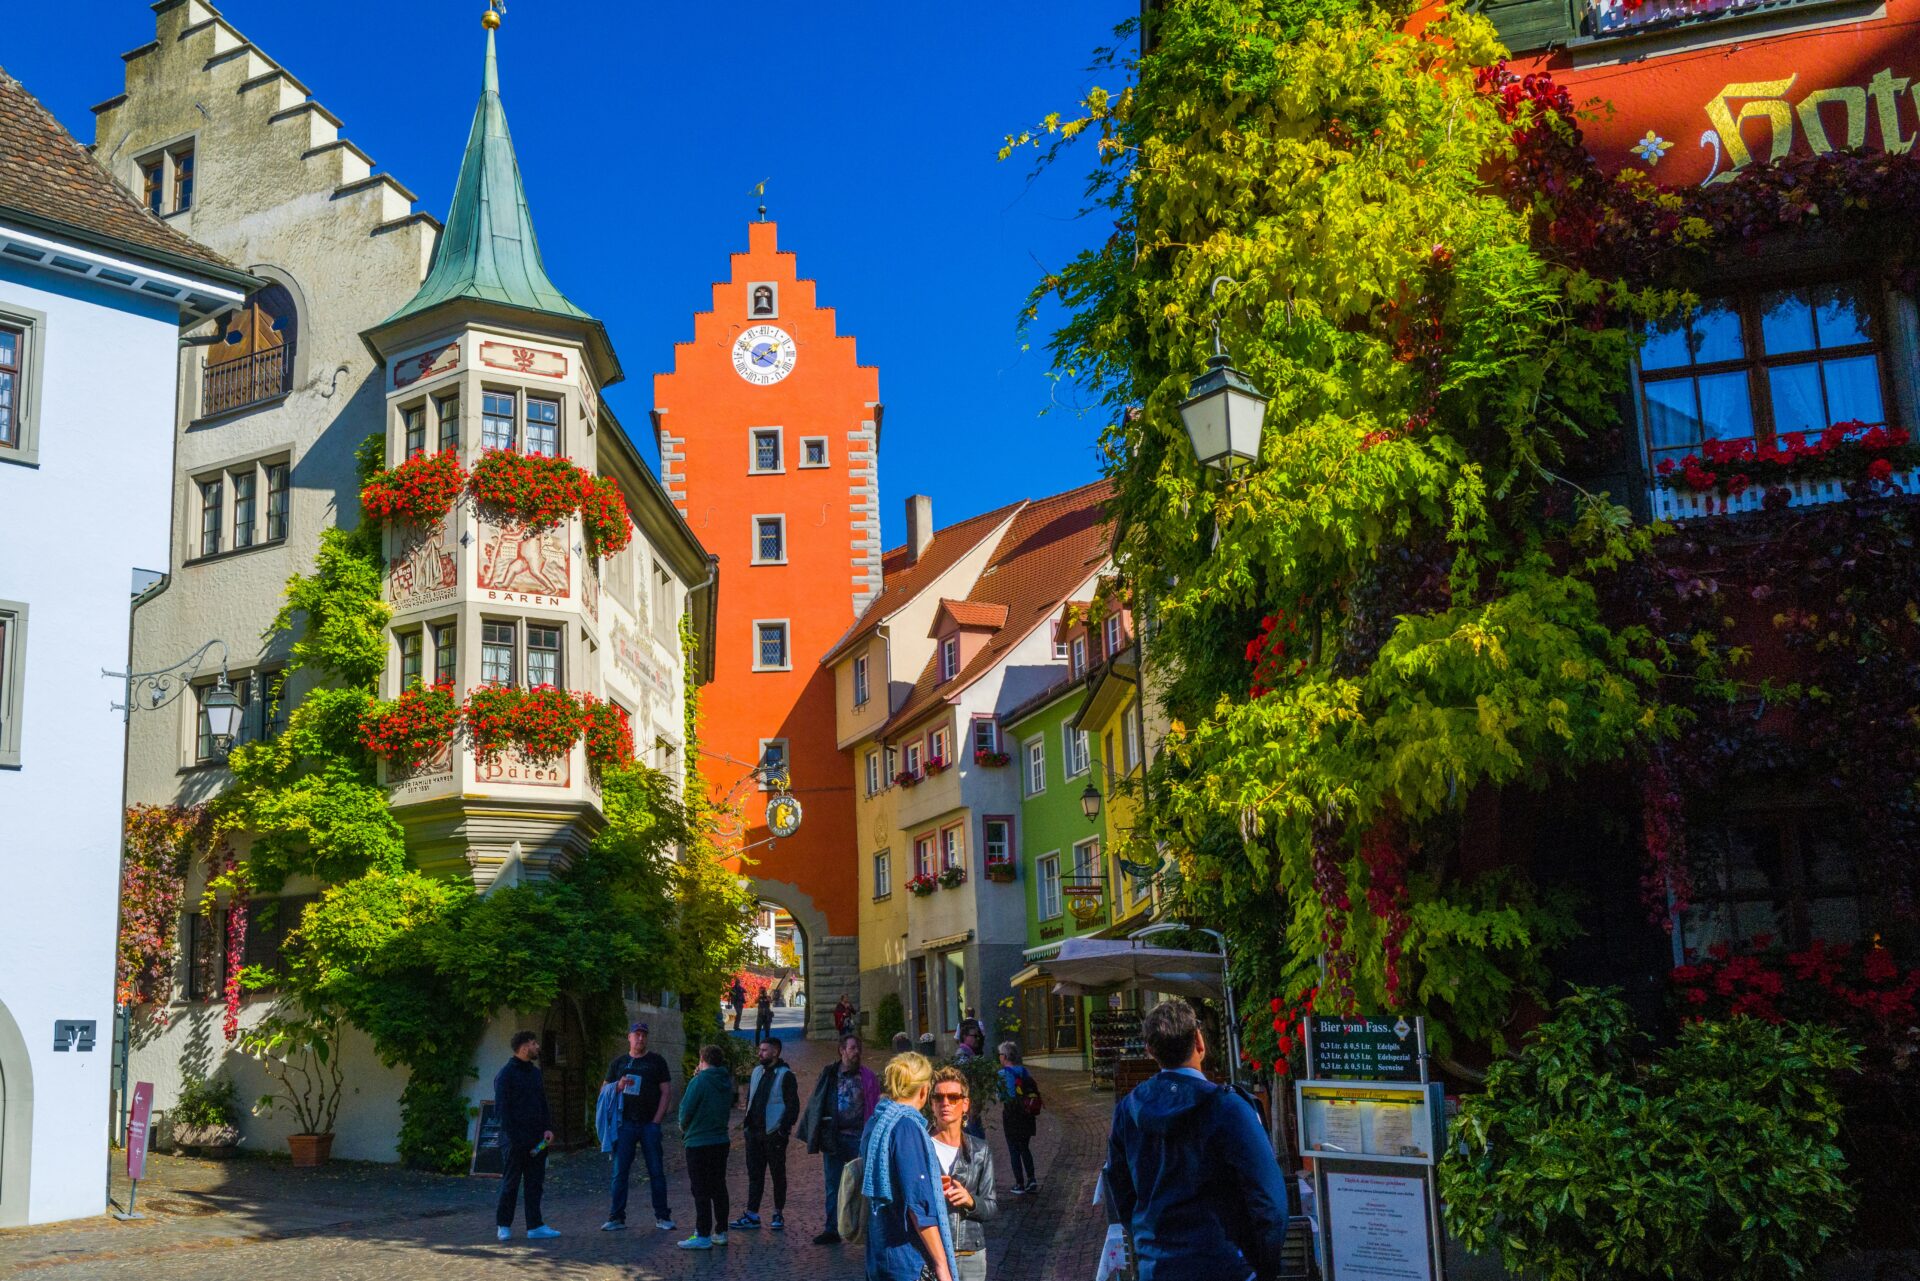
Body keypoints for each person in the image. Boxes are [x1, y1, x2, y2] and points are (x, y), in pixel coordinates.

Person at [1106, 1000, 1289, 1281]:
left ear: (1150, 1050)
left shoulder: (1127, 1111)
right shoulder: (1229, 1107)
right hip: (1223, 1264)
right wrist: (1263, 1267)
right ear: (1199, 1041)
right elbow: (1269, 1199)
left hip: (1158, 1267)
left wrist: (1149, 1243)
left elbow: (1122, 1192)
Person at [860, 1052, 957, 1281]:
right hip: (908, 1259)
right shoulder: (906, 1127)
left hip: (880, 1252)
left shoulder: (876, 1121)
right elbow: (918, 1206)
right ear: (924, 1090)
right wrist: (942, 1266)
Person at [798, 1031, 879, 1245]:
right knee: (833, 1185)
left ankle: (867, 1228)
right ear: (842, 1051)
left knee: (864, 1184)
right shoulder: (830, 1074)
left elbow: (875, 1106)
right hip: (834, 1138)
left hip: (860, 1138)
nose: (856, 1053)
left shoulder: (868, 1077)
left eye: (858, 1049)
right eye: (852, 1049)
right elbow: (817, 1102)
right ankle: (831, 1229)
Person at [600, 1021, 675, 1233]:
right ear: (629, 1037)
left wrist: (656, 1121)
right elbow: (604, 1092)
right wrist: (618, 1086)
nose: (640, 1038)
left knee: (656, 1171)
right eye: (637, 1034)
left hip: (648, 1124)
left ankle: (662, 1216)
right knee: (620, 1172)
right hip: (625, 1125)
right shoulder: (619, 1063)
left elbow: (666, 1092)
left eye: (643, 1035)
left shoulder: (656, 1061)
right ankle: (616, 1217)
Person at [928, 1066, 998, 1281]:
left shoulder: (980, 1150)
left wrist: (970, 1201)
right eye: (938, 1097)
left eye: (953, 1097)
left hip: (970, 1254)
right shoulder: (921, 1147)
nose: (945, 1103)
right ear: (931, 1104)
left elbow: (991, 1207)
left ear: (965, 1104)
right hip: (931, 1255)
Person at [493, 1031, 560, 1242]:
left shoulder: (535, 1073)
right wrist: (513, 1138)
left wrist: (548, 1128)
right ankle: (504, 1225)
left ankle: (535, 1225)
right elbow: (501, 1111)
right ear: (523, 1047)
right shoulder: (505, 1075)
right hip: (514, 1140)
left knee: (535, 1183)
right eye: (533, 1043)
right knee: (511, 1183)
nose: (537, 1046)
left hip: (536, 1139)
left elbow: (543, 1103)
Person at [735, 1034, 799, 1232]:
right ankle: (752, 1213)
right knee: (755, 1175)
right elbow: (751, 1097)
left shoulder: (785, 1075)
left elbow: (793, 1106)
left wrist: (782, 1129)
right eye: (760, 1050)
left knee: (777, 1174)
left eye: (764, 1050)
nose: (759, 1053)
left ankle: (778, 1212)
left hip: (773, 1134)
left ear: (775, 1052)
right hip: (754, 1132)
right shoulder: (756, 1072)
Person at [676, 1043, 735, 1250]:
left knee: (700, 1188)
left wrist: (683, 1127)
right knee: (719, 1186)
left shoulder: (699, 1081)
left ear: (703, 1060)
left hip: (699, 1141)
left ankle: (702, 1233)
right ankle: (721, 1231)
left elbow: (685, 1110)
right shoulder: (726, 1081)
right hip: (720, 1140)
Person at [996, 1041, 1040, 1195]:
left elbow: (1003, 1096)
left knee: (1014, 1149)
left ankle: (1019, 1183)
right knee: (1025, 1148)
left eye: (1000, 1054)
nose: (999, 1057)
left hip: (1012, 1115)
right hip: (1027, 1115)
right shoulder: (1024, 1071)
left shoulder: (1003, 1074)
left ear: (1005, 1056)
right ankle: (1032, 1179)